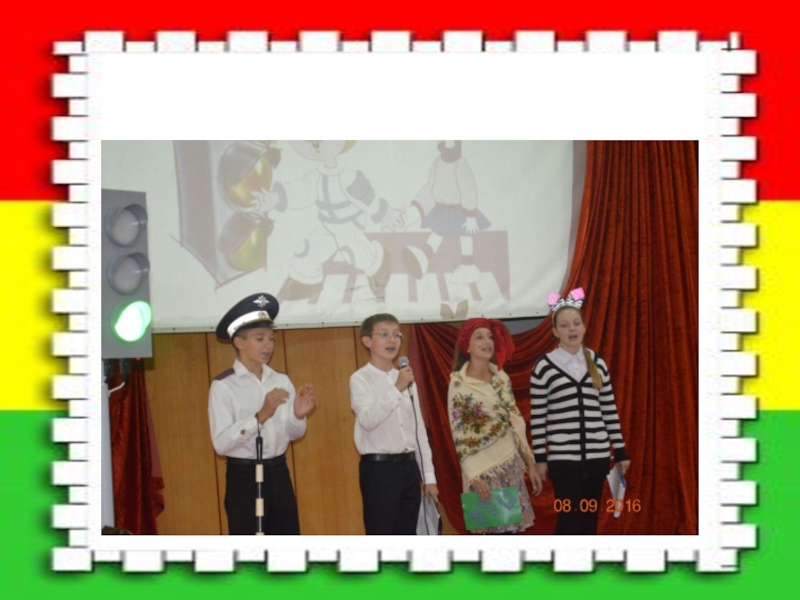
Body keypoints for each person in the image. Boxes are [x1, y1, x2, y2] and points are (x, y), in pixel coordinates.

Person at [208, 293, 317, 535]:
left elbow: (292, 433)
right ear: (239, 342)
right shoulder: (224, 386)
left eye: (271, 339)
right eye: (260, 339)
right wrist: (260, 417)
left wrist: (298, 415)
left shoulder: (281, 380)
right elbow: (221, 444)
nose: (268, 345)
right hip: (243, 477)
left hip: (278, 473)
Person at [530, 287, 631, 535]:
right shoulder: (544, 367)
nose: (571, 329)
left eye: (576, 323)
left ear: (584, 327)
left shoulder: (598, 363)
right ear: (555, 331)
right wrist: (540, 458)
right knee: (568, 520)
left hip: (598, 457)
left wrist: (620, 451)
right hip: (564, 461)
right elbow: (538, 417)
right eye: (564, 325)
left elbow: (609, 410)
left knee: (589, 520)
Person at [448, 318, 542, 534]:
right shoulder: (458, 384)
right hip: (481, 471)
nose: (487, 341)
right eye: (479, 337)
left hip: (509, 467)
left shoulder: (502, 378)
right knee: (491, 537)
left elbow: (514, 422)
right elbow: (459, 433)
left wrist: (530, 464)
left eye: (490, 337)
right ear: (467, 346)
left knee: (512, 535)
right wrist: (473, 476)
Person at [350, 313, 439, 534]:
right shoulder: (360, 379)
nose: (392, 340)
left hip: (409, 468)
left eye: (397, 335)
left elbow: (419, 431)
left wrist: (429, 477)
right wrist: (396, 388)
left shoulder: (407, 380)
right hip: (379, 470)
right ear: (367, 341)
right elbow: (367, 420)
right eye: (384, 335)